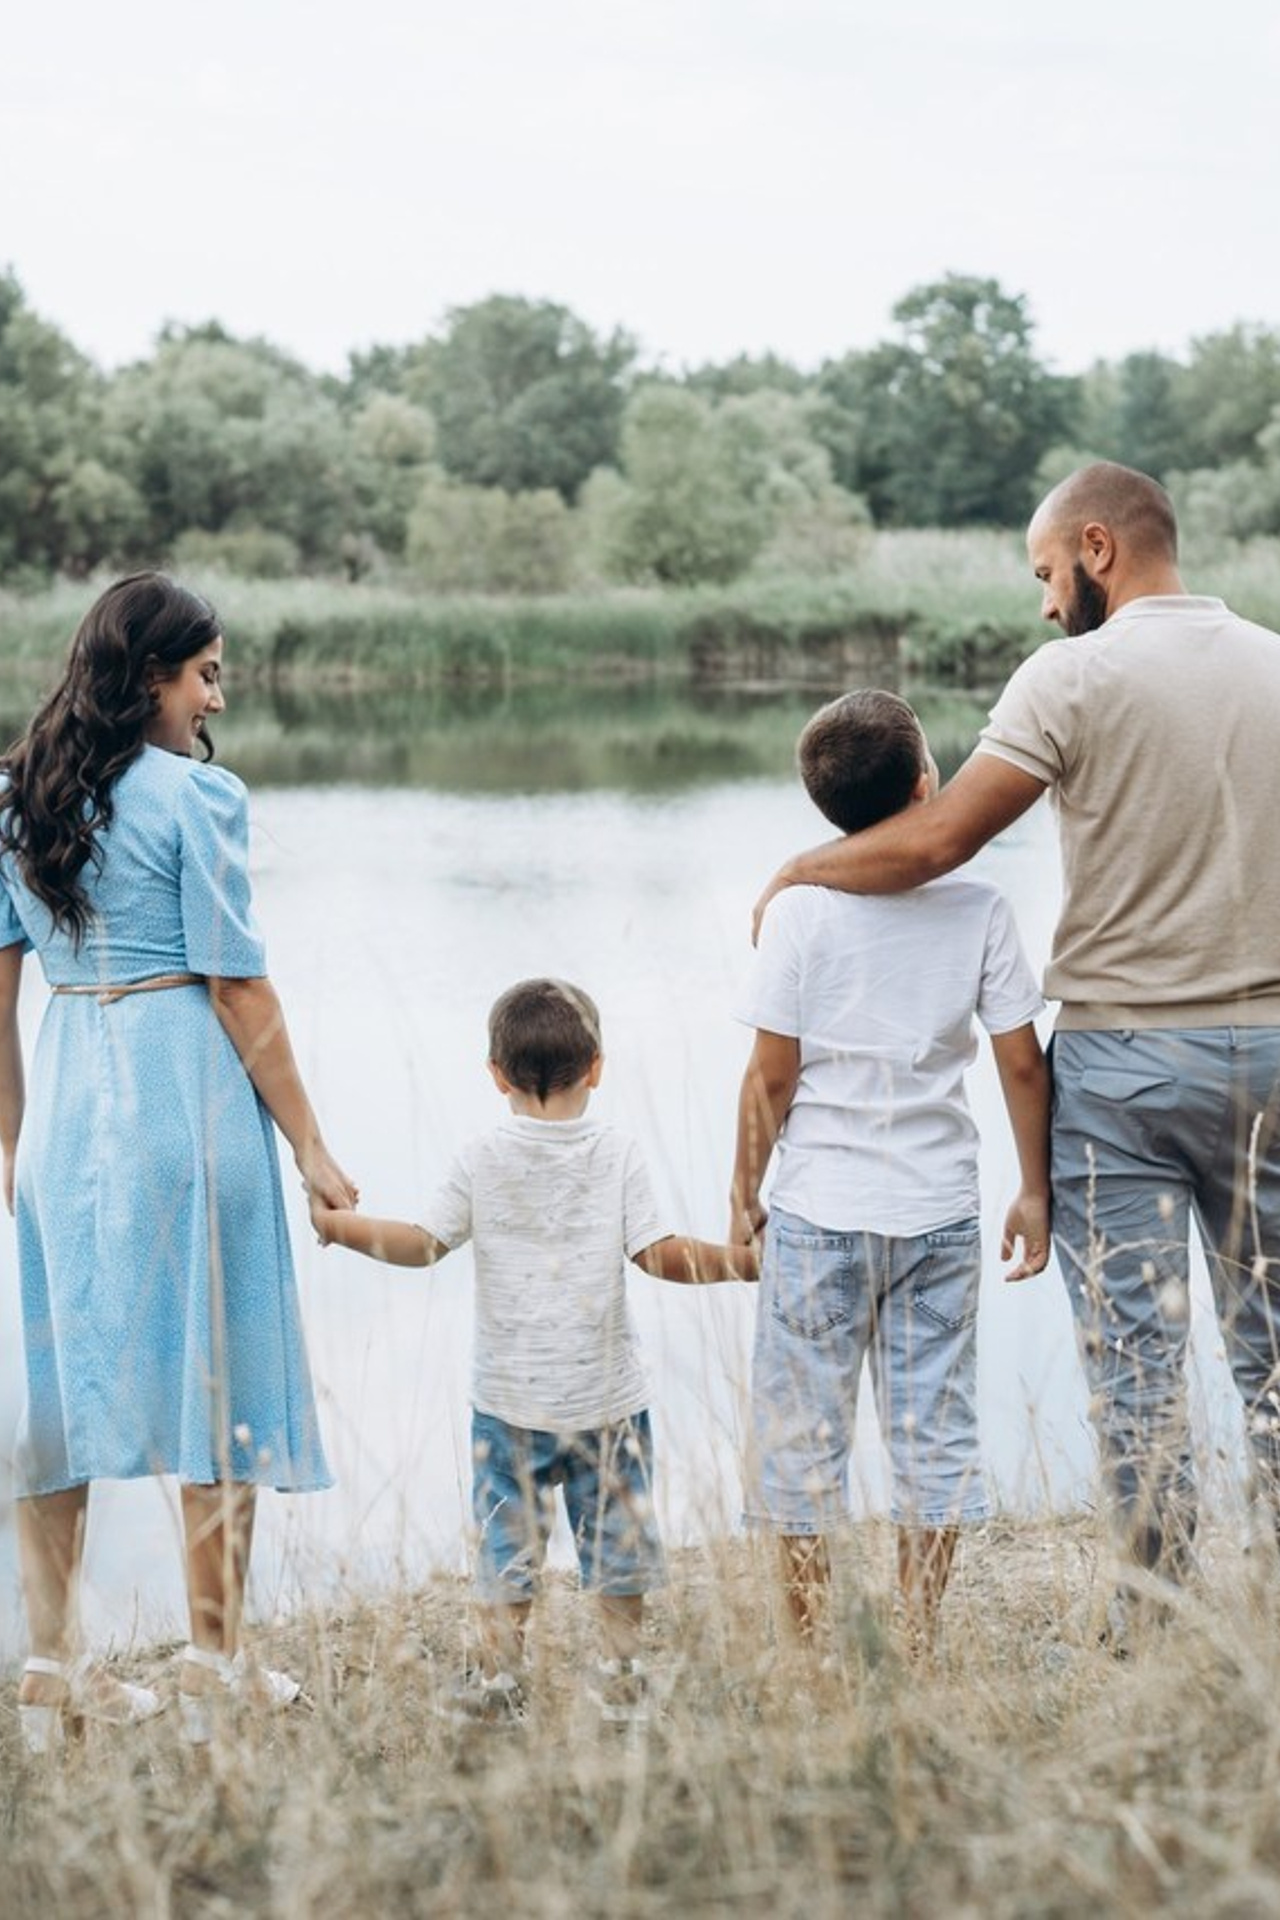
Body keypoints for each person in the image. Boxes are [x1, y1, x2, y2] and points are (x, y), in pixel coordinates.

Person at [751, 462, 1280, 1634]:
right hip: (1271, 1059)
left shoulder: (1070, 678)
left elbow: (934, 842)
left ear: (1097, 547)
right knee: (1273, 1350)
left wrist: (800, 868)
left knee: (1137, 1361)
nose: (1044, 603)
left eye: (1046, 573)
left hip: (1124, 1070)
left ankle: (1153, 1614)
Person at [0, 573, 357, 1752]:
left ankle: (52, 1657)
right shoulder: (198, 799)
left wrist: (11, 1143)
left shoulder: (14, 799)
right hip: (180, 1092)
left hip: (66, 1104)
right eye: (205, 672)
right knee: (218, 1362)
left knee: (61, 1378)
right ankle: (216, 1655)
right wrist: (310, 1143)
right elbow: (239, 983)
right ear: (149, 678)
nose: (217, 693)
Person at [311, 976, 757, 1724]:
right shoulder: (618, 1152)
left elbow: (424, 1246)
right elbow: (658, 1253)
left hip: (508, 1405)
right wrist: (744, 1263)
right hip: (608, 1401)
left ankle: (501, 1682)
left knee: (504, 1549)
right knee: (617, 1548)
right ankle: (623, 1676)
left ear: (495, 1076)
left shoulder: (482, 1155)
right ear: (597, 1067)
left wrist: (339, 1227)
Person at [733, 690, 1049, 1653]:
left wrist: (741, 1193)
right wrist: (1034, 1187)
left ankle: (813, 1643)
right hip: (937, 1213)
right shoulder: (982, 908)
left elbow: (772, 1075)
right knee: (933, 1436)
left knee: (799, 1444)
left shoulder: (798, 914)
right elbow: (1020, 1061)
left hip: (818, 1212)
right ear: (927, 784)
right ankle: (915, 1634)